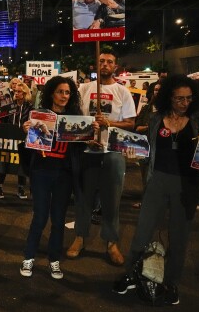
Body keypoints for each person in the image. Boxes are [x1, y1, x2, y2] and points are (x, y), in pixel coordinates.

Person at [113, 75, 199, 306]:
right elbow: (144, 146)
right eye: (179, 99)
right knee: (143, 232)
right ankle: (131, 273)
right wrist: (131, 151)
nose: (184, 103)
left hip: (186, 184)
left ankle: (171, 282)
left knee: (179, 237)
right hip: (157, 180)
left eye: (188, 98)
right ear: (168, 97)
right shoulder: (157, 118)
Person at [67, 47, 136, 266]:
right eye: (101, 61)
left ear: (115, 66)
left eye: (109, 61)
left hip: (113, 152)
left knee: (112, 200)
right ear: (96, 65)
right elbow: (74, 117)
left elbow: (131, 123)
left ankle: (111, 242)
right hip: (86, 152)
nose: (105, 64)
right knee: (83, 198)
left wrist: (109, 123)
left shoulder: (122, 92)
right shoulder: (84, 88)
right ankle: (80, 237)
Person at [20, 76, 87, 279]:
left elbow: (81, 149)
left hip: (64, 175)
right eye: (60, 91)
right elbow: (27, 148)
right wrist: (25, 132)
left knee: (58, 219)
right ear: (51, 93)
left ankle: (54, 260)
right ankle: (29, 257)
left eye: (67, 92)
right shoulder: (39, 116)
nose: (64, 96)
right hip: (41, 172)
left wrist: (90, 135)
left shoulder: (75, 118)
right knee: (40, 217)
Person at [0, 82, 32, 200]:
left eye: (19, 92)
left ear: (25, 93)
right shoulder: (10, 105)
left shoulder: (30, 107)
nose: (16, 93)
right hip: (9, 137)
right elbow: (0, 117)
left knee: (22, 163)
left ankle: (21, 188)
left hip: (23, 139)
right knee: (4, 161)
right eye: (15, 91)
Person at [133, 82, 161, 209]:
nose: (158, 92)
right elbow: (137, 127)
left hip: (161, 149)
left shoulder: (170, 112)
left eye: (160, 90)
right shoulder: (146, 109)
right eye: (156, 90)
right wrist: (150, 127)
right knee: (145, 176)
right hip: (145, 146)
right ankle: (146, 201)